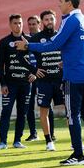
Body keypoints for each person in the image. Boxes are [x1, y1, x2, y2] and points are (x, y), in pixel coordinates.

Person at [16, 0, 84, 165]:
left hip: (73, 77)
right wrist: (71, 58)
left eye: (61, 1)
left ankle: (78, 155)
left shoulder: (70, 20)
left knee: (73, 115)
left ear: (69, 3)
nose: (59, 4)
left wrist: (28, 46)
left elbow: (54, 44)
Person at [0, 14, 37, 150]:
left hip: (25, 84)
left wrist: (34, 74)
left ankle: (17, 140)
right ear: (10, 25)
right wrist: (3, 84)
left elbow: (37, 60)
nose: (18, 25)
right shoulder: (4, 42)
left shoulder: (29, 40)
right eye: (15, 23)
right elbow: (0, 66)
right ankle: (2, 142)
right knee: (6, 111)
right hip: (10, 84)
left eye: (20, 23)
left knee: (22, 112)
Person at [29, 10, 63, 151]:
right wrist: (34, 70)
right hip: (44, 82)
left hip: (61, 80)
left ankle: (75, 141)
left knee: (70, 110)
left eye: (51, 19)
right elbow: (21, 57)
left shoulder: (61, 35)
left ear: (55, 20)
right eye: (46, 19)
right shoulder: (36, 38)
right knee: (44, 111)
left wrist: (65, 62)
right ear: (42, 22)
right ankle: (49, 142)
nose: (49, 21)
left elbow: (70, 52)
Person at [25, 16, 55, 142]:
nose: (31, 26)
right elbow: (26, 59)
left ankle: (51, 134)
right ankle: (33, 133)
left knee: (48, 107)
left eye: (33, 24)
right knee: (30, 105)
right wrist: (32, 71)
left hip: (45, 76)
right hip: (32, 77)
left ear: (39, 24)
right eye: (29, 24)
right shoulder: (27, 39)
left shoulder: (47, 38)